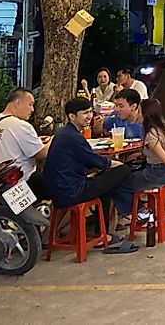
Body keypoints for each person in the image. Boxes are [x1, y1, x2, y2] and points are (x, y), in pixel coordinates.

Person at [43, 98, 135, 252]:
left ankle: (104, 233)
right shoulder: (73, 137)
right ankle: (119, 222)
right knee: (123, 171)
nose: (89, 116)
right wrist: (115, 165)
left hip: (62, 187)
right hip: (72, 191)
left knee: (105, 187)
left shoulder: (64, 133)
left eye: (90, 112)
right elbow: (96, 161)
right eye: (85, 113)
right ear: (72, 116)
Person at [113, 99, 165, 225]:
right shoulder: (162, 127)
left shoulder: (151, 136)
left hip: (159, 173)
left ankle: (139, 212)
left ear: (146, 115)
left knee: (118, 184)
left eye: (139, 111)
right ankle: (135, 212)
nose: (136, 114)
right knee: (128, 176)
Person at [0, 87, 51, 201]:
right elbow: (42, 153)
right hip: (16, 185)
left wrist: (36, 140)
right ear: (17, 103)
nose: (32, 109)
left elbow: (7, 143)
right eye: (30, 104)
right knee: (61, 184)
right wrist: (54, 139)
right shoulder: (20, 125)